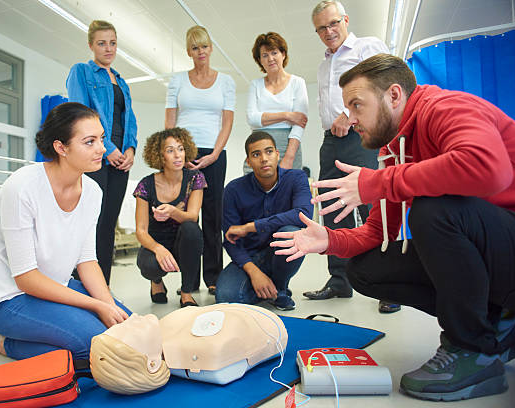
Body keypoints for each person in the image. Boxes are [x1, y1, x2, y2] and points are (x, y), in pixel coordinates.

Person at [271, 53, 515, 401]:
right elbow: (376, 232)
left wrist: (382, 182)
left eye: (357, 106)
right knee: (366, 270)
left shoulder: (444, 107)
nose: (350, 119)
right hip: (499, 253)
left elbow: (489, 168)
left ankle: (471, 348)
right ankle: (498, 319)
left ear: (393, 95)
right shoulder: (394, 149)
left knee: (434, 210)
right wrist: (328, 239)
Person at [0, 102, 131, 361]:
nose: (102, 148)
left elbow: (87, 260)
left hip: (56, 286)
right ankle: (2, 342)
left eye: (101, 139)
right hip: (6, 297)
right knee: (94, 348)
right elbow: (26, 278)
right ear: (61, 147)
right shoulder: (22, 187)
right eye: (89, 142)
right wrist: (96, 305)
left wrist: (108, 306)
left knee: (127, 332)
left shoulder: (92, 192)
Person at [305, 1, 399, 313]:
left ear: (345, 20)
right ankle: (339, 279)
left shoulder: (366, 46)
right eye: (321, 28)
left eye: (333, 23)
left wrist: (349, 115)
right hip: (331, 140)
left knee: (376, 205)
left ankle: (391, 284)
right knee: (332, 205)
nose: (329, 31)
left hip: (363, 136)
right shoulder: (322, 65)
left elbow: (382, 85)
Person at [165, 25, 236, 296]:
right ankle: (189, 280)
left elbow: (227, 122)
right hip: (183, 152)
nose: (201, 51)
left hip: (214, 153)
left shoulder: (226, 81)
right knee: (187, 217)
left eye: (204, 46)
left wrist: (215, 154)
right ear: (188, 51)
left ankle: (214, 276)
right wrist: (172, 152)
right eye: (195, 47)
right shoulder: (177, 80)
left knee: (212, 216)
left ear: (211, 47)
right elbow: (170, 120)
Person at [66, 20, 138, 285]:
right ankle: (80, 288)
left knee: (108, 224)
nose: (108, 48)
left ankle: (102, 287)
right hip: (96, 156)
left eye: (112, 43)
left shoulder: (122, 81)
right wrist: (106, 149)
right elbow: (80, 113)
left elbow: (129, 119)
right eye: (101, 43)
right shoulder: (82, 72)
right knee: (89, 225)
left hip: (120, 161)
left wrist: (129, 149)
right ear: (90, 45)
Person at [90, 304, 287, 393]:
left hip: (260, 317)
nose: (130, 319)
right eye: (127, 330)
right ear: (151, 363)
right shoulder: (203, 349)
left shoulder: (165, 330)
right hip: (269, 324)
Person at [216, 132, 313, 311]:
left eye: (268, 152)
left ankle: (280, 287)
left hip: (280, 252)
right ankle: (267, 287)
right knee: (226, 298)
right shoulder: (233, 190)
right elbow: (230, 240)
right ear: (248, 161)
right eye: (256, 154)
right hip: (250, 257)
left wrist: (252, 226)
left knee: (291, 232)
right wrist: (253, 272)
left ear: (277, 154)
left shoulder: (296, 178)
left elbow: (304, 214)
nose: (264, 159)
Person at [133, 128, 206, 307]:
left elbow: (192, 217)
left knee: (192, 229)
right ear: (160, 156)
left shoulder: (195, 178)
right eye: (170, 150)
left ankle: (186, 292)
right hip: (155, 243)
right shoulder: (146, 185)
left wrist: (172, 211)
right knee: (149, 266)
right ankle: (156, 282)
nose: (177, 155)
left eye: (180, 149)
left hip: (182, 242)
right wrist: (158, 249)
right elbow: (141, 231)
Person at [245, 32, 309, 172]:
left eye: (274, 52)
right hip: (258, 145)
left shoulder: (297, 83)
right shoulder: (255, 85)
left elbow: (300, 123)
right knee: (254, 191)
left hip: (288, 146)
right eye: (265, 55)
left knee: (286, 191)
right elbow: (252, 119)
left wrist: (289, 157)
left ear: (283, 54)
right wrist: (287, 115)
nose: (270, 59)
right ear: (259, 60)